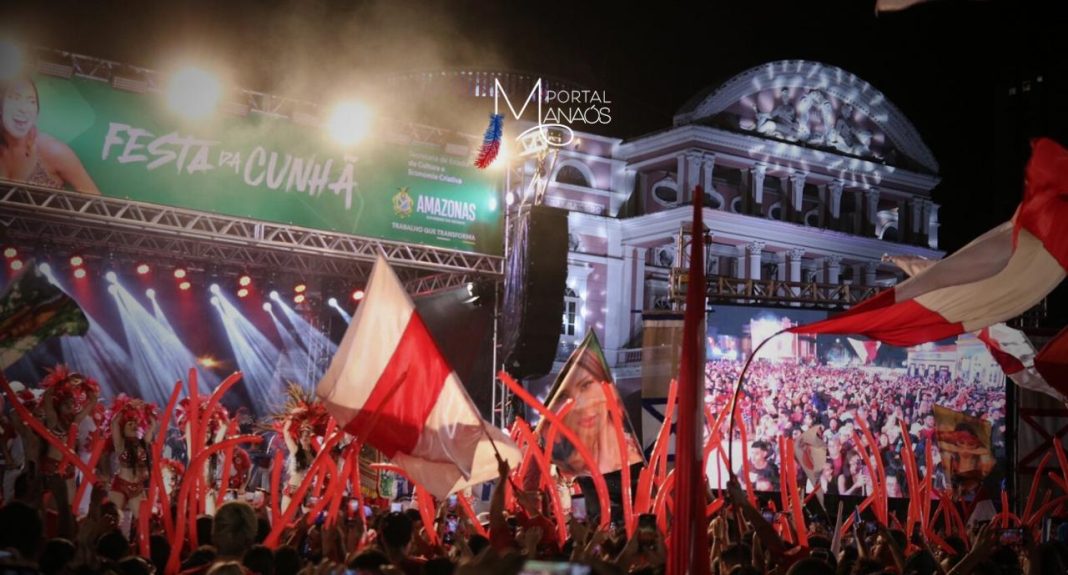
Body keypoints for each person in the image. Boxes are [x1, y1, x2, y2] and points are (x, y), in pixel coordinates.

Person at [0, 77, 100, 194]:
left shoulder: (53, 150)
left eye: (31, 101)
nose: (23, 109)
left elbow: (99, 205)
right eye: (15, 99)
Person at [107, 395, 158, 536]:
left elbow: (153, 424)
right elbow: (114, 423)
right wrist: (126, 406)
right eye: (130, 423)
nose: (134, 425)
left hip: (137, 488)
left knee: (143, 523)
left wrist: (146, 409)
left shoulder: (143, 443)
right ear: (123, 428)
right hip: (120, 485)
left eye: (135, 423)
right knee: (112, 521)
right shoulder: (120, 443)